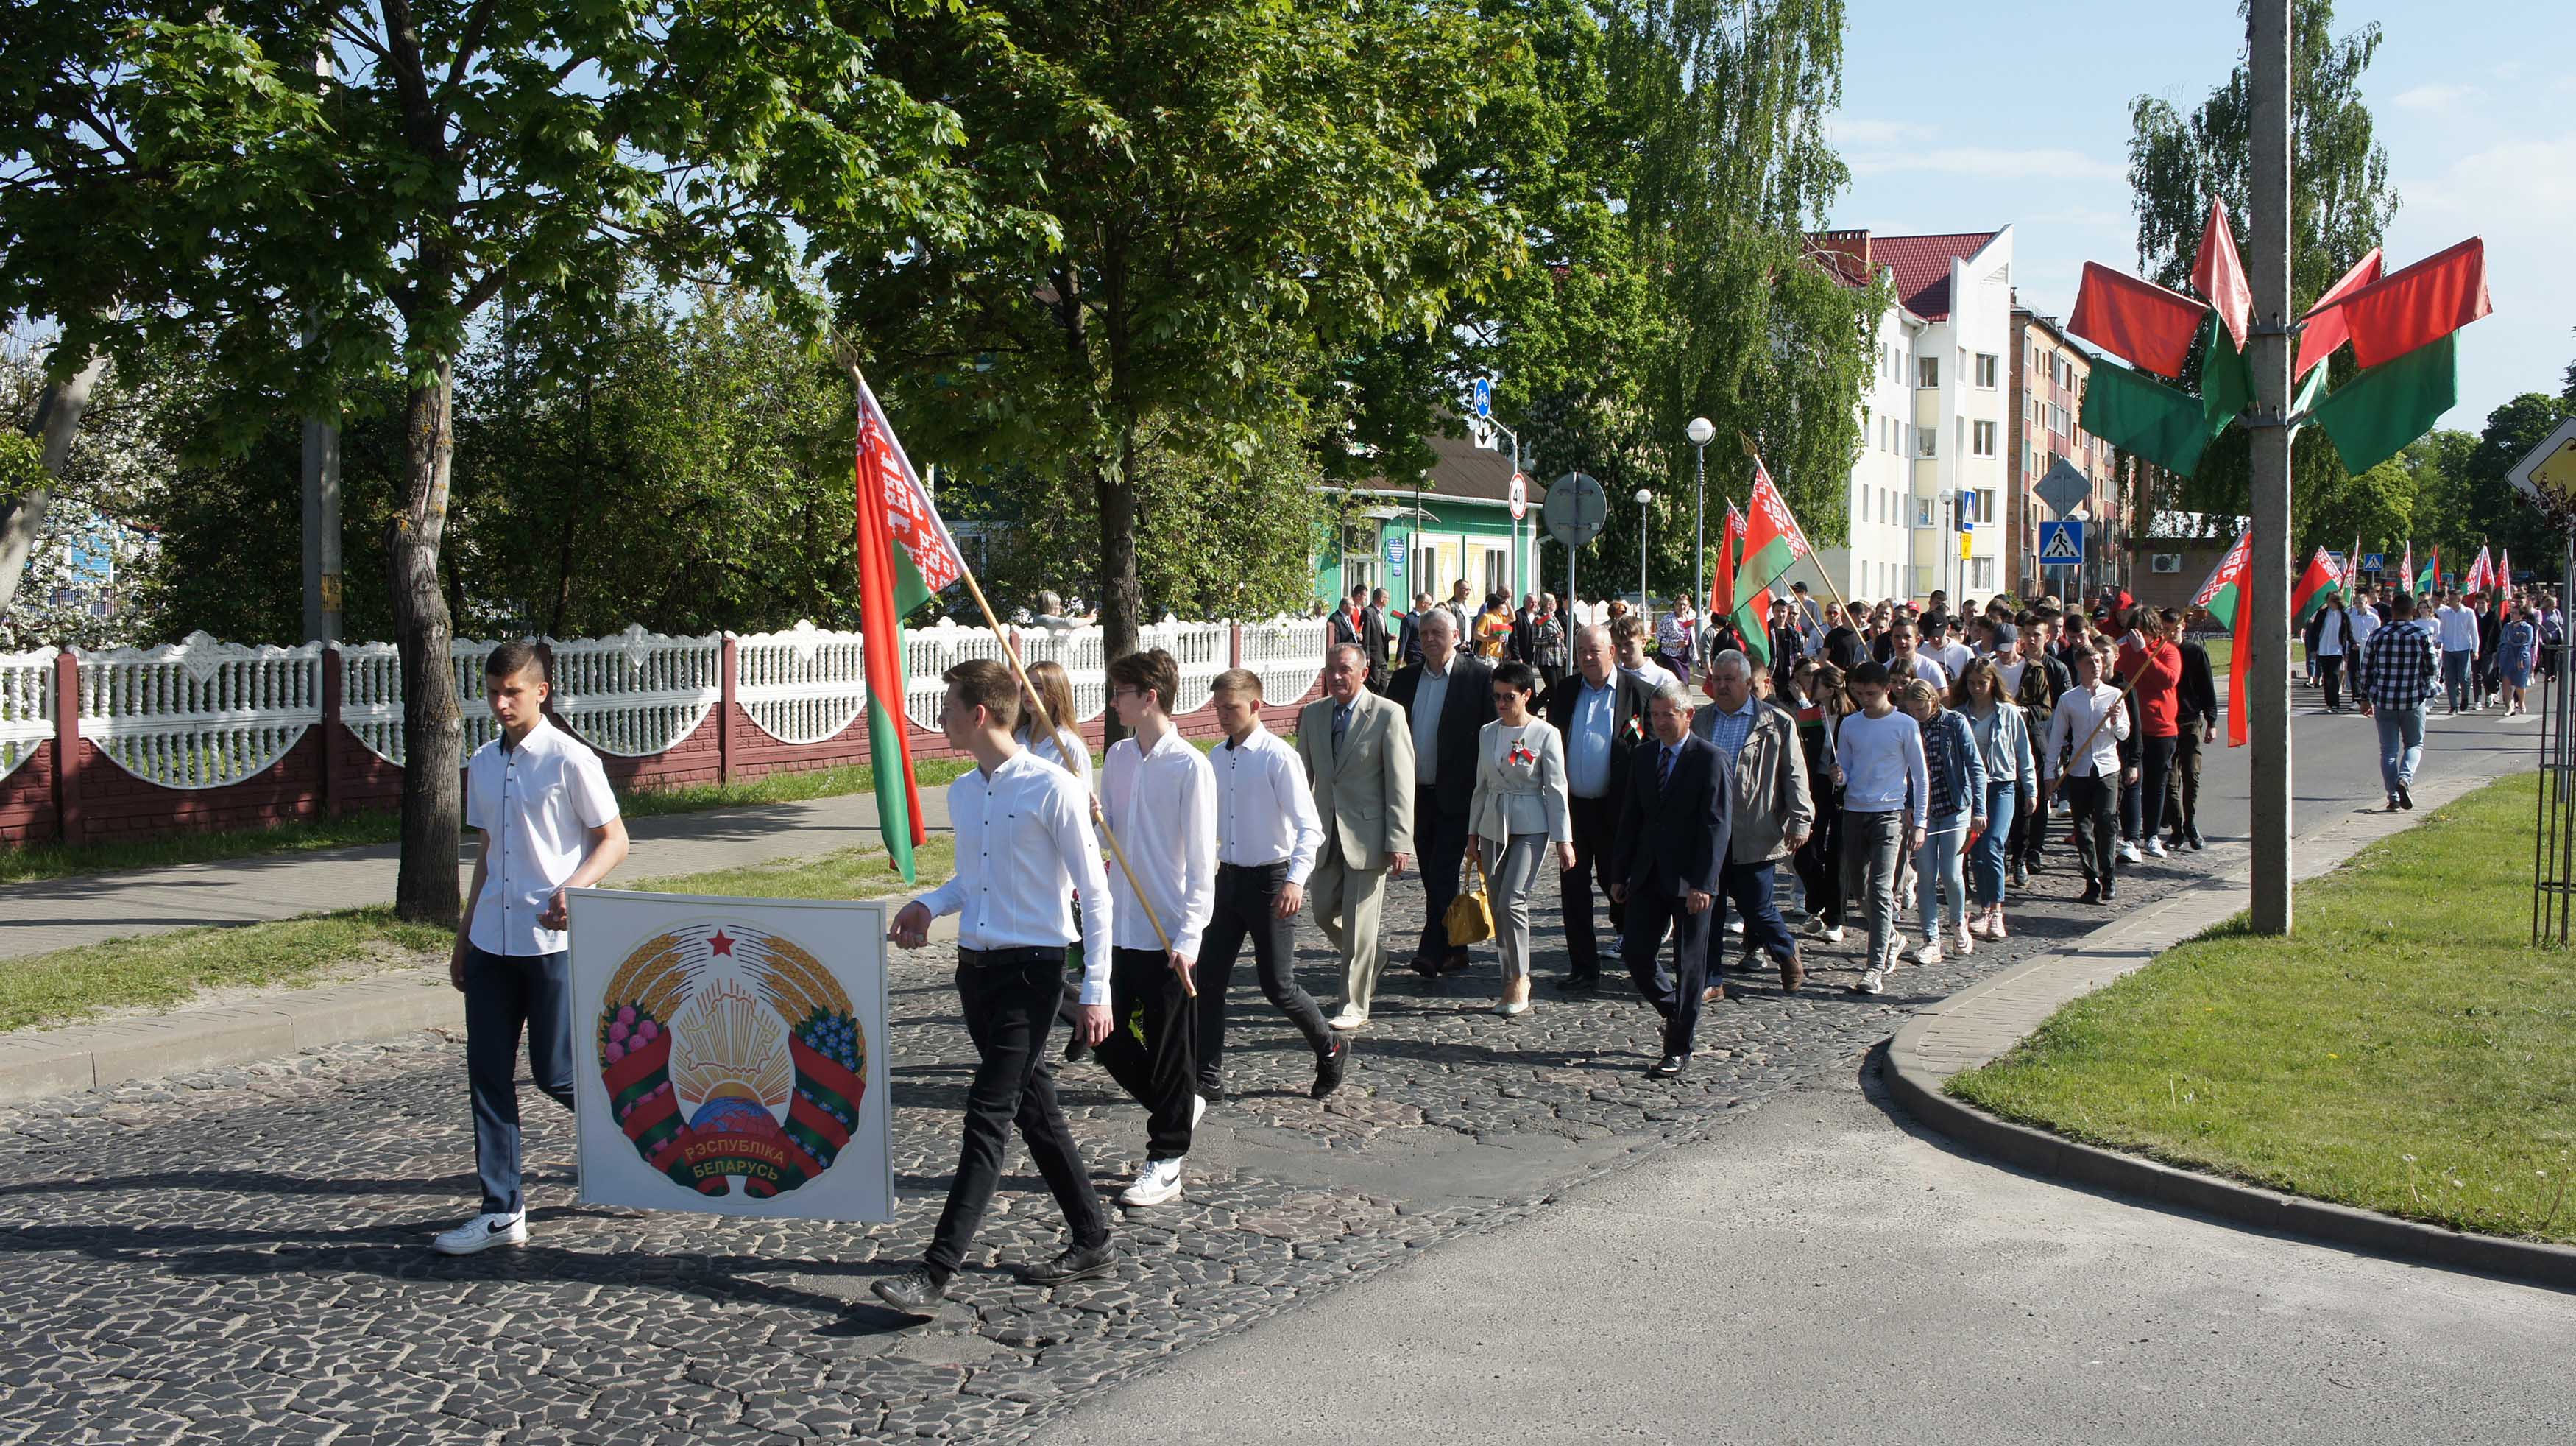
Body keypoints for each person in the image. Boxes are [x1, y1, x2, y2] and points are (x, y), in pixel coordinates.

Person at [878, 659, 1118, 1314]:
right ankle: (1092, 1236)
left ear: (979, 714)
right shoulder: (962, 790)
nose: (942, 716)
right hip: (975, 972)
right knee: (1035, 1108)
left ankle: (934, 1272)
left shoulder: (1054, 788)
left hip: (1033, 972)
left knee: (988, 1114)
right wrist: (928, 903)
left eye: (949, 705)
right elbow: (969, 882)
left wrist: (1097, 988)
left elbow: (1095, 896)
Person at [433, 641, 631, 1257]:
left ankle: (646, 1145)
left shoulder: (572, 760)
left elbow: (615, 841)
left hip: (551, 946)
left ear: (541, 692)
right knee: (488, 1077)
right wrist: (464, 939)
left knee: (557, 1074)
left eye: (512, 692)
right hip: (493, 944)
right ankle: (502, 1211)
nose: (500, 703)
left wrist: (575, 887)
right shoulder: (483, 763)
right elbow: (489, 856)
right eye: (493, 691)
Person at [1091, 649, 1217, 1210]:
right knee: (1104, 1038)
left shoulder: (1191, 766)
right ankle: (1178, 1106)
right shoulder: (1118, 757)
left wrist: (1189, 938)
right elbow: (1110, 837)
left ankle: (1167, 1160)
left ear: (1150, 697)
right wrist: (1093, 819)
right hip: (1121, 923)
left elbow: (1201, 862)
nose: (1112, 701)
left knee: (1170, 1049)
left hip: (1168, 930)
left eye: (1120, 692)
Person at [1194, 669, 1345, 1104]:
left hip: (1272, 881)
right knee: (1208, 980)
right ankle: (1208, 1075)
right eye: (1218, 707)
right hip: (1227, 881)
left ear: (1256, 706)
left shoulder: (1279, 757)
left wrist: (1296, 879)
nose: (1222, 715)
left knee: (1277, 986)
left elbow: (1309, 828)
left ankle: (1330, 1046)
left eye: (1231, 708)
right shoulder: (1217, 759)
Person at [1609, 684, 1732, 1077]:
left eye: (1668, 715)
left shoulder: (1710, 759)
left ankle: (1678, 1046)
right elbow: (1631, 818)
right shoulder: (1644, 756)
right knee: (1637, 953)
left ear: (1688, 715)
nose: (1660, 723)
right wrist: (1620, 872)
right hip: (1648, 872)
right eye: (1655, 715)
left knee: (1690, 963)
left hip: (1692, 878)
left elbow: (1717, 826)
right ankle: (1676, 1012)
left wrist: (1705, 883)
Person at [1298, 644, 1418, 1030]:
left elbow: (1402, 782)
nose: (1336, 676)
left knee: (1360, 924)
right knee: (1320, 912)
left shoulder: (1387, 714)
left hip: (1369, 835)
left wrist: (1399, 839)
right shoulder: (1313, 715)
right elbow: (1303, 779)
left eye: (1345, 669)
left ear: (1363, 673)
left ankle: (1353, 1003)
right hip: (1324, 832)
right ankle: (1375, 958)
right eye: (1330, 669)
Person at [1692, 649, 1812, 992]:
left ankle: (1786, 950)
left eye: (1730, 679)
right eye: (1717, 679)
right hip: (1710, 832)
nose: (1723, 686)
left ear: (1748, 683)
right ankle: (1711, 979)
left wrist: (1800, 819)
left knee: (1757, 907)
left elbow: (1795, 775)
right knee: (1709, 910)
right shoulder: (1700, 721)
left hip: (1756, 831)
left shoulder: (1775, 722)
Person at [1545, 624, 1657, 991]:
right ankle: (1583, 965)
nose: (1587, 658)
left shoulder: (1638, 694)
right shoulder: (1565, 691)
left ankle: (1638, 956)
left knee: (1620, 886)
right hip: (1574, 811)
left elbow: (1650, 750)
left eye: (1594, 651)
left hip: (1619, 811)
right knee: (1573, 891)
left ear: (1612, 651)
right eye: (1581, 652)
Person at [1387, 608, 1497, 977]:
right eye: (1424, 632)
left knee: (1442, 872)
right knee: (1434, 875)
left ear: (1456, 636)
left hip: (1459, 795)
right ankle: (1456, 947)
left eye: (1437, 632)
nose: (1429, 639)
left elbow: (1490, 738)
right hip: (1415, 796)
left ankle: (1431, 951)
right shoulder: (1403, 681)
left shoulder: (1478, 678)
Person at [1470, 661, 1575, 1017]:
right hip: (1492, 824)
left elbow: (1557, 788)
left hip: (1531, 823)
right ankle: (1507, 974)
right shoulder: (1487, 732)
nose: (1501, 703)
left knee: (1513, 899)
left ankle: (1521, 977)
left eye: (1508, 697)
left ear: (1527, 695)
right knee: (1498, 903)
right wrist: (1472, 834)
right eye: (1496, 697)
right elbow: (1481, 787)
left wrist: (1564, 839)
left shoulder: (1546, 734)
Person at [1833, 660, 1927, 996]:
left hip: (1889, 813)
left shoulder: (1904, 725)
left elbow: (1920, 775)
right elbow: (1844, 765)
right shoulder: (1850, 724)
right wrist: (1839, 775)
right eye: (1857, 694)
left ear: (1888, 689)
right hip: (1855, 811)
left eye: (1870, 694)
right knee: (1859, 890)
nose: (1864, 700)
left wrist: (1920, 822)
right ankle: (1891, 937)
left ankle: (1873, 968)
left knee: (1881, 888)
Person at [1896, 678, 1984, 964]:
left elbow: (1975, 766)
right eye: (1912, 710)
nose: (1917, 715)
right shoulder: (1910, 726)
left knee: (1950, 871)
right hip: (1924, 810)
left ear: (1933, 701)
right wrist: (1909, 805)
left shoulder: (1955, 723)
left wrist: (1979, 809)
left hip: (1954, 805)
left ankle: (1958, 923)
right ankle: (1931, 939)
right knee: (1925, 875)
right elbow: (1906, 770)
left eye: (1920, 709)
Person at [2042, 642, 2132, 904]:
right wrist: (2051, 773)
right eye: (2089, 662)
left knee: (2106, 821)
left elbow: (2124, 734)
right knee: (2083, 829)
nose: (2095, 666)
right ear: (2079, 667)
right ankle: (2091, 878)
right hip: (2079, 769)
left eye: (2098, 661)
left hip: (2107, 767)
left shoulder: (2114, 694)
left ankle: (2108, 875)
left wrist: (2116, 720)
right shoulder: (2069, 699)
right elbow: (2057, 737)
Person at [1956, 657, 2034, 942]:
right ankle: (1984, 908)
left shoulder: (2008, 713)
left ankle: (1997, 910)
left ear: (1993, 683)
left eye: (1982, 683)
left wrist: (2032, 789)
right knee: (1975, 850)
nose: (1977, 688)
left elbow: (2023, 754)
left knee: (1993, 845)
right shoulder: (1959, 714)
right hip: (1971, 788)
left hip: (2001, 785)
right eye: (1972, 683)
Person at [2357, 588, 2440, 811]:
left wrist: (2364, 699)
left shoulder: (2378, 635)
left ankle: (2393, 795)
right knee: (2414, 744)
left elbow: (2366, 670)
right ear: (2413, 611)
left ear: (2391, 611)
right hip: (2413, 699)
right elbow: (2432, 668)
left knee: (2389, 751)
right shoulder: (2421, 635)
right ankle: (2405, 778)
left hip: (2384, 700)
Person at [2114, 607, 2183, 858]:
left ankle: (2152, 835)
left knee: (2157, 783)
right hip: (2133, 729)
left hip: (2161, 728)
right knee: (2132, 782)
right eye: (2135, 629)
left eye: (2144, 630)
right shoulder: (2123, 653)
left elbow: (2168, 680)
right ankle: (2131, 840)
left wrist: (2144, 651)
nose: (2139, 635)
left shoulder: (2167, 651)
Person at [1788, 660, 1847, 944]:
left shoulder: (1851, 717)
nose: (1811, 687)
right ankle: (1818, 901)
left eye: (1817, 683)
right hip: (1817, 785)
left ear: (1831, 688)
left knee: (1837, 855)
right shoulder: (1811, 715)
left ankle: (1834, 918)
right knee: (1805, 851)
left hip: (1845, 791)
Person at [2163, 610, 2217, 851]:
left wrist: (2212, 722)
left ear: (2183, 626)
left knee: (2192, 776)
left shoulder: (2194, 652)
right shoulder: (2160, 653)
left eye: (2174, 629)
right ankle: (2176, 829)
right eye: (2165, 629)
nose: (2170, 634)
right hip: (2166, 724)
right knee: (2169, 779)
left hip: (2191, 720)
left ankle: (2190, 823)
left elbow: (2207, 687)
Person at [2435, 590, 2481, 714]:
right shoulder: (2446, 614)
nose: (2449, 601)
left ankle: (2465, 697)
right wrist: (2439, 640)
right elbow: (2442, 630)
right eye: (2449, 599)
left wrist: (2475, 650)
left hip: (2463, 649)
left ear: (2459, 600)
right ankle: (2453, 705)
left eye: (2452, 599)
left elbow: (2474, 632)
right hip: (2448, 649)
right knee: (2449, 678)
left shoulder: (2468, 613)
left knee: (2464, 677)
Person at [1610, 613, 1679, 691]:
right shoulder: (1612, 677)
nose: (1623, 651)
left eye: (1628, 644)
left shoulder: (1664, 679)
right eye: (1618, 645)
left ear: (1643, 642)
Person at [2313, 590, 2352, 713]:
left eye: (2333, 600)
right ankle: (2329, 702)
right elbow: (2315, 631)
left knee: (2334, 675)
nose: (2330, 602)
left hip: (2337, 649)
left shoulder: (2344, 615)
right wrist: (2314, 649)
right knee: (2326, 676)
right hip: (2323, 648)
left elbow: (2348, 632)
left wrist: (2352, 643)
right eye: (2329, 599)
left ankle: (2335, 703)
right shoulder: (2322, 614)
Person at [1885, 618, 1948, 690]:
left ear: (1917, 640)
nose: (1902, 641)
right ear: (1891, 640)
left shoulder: (1930, 668)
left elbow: (1943, 698)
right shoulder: (1885, 669)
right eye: (1897, 637)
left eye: (1907, 637)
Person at [2501, 602, 2538, 716]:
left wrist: (2521, 658)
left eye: (2515, 613)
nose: (2512, 615)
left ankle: (2521, 702)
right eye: (2512, 613)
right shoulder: (2508, 626)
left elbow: (2526, 644)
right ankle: (2509, 706)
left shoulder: (2528, 628)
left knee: (2519, 684)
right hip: (2508, 656)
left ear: (2522, 616)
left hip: (2522, 657)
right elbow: (2503, 641)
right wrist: (2498, 656)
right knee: (2506, 682)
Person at [1919, 613, 1974, 685]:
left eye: (1939, 634)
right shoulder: (1920, 653)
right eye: (1931, 635)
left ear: (1948, 629)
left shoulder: (1964, 652)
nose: (1935, 639)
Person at [1532, 595, 1570, 694]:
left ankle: (1549, 709)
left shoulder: (1553, 618)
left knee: (1557, 690)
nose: (1556, 605)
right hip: (1545, 659)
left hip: (1557, 659)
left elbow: (1560, 640)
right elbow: (1535, 640)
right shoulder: (1539, 619)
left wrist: (1567, 655)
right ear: (1548, 605)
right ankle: (1533, 707)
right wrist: (1552, 639)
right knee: (1553, 689)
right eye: (1554, 603)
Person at [1475, 590, 1515, 661]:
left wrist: (1509, 606)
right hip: (1487, 654)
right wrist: (1492, 638)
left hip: (1498, 653)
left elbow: (1512, 618)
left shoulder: (1499, 616)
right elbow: (1476, 634)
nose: (1504, 606)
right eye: (1502, 604)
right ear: (1496, 606)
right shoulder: (1486, 616)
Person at [1397, 591, 1432, 669]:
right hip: (1414, 657)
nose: (1431, 607)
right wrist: (1399, 660)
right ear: (1423, 603)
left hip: (1425, 656)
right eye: (1430, 604)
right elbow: (1403, 640)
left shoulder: (1426, 618)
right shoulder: (1409, 619)